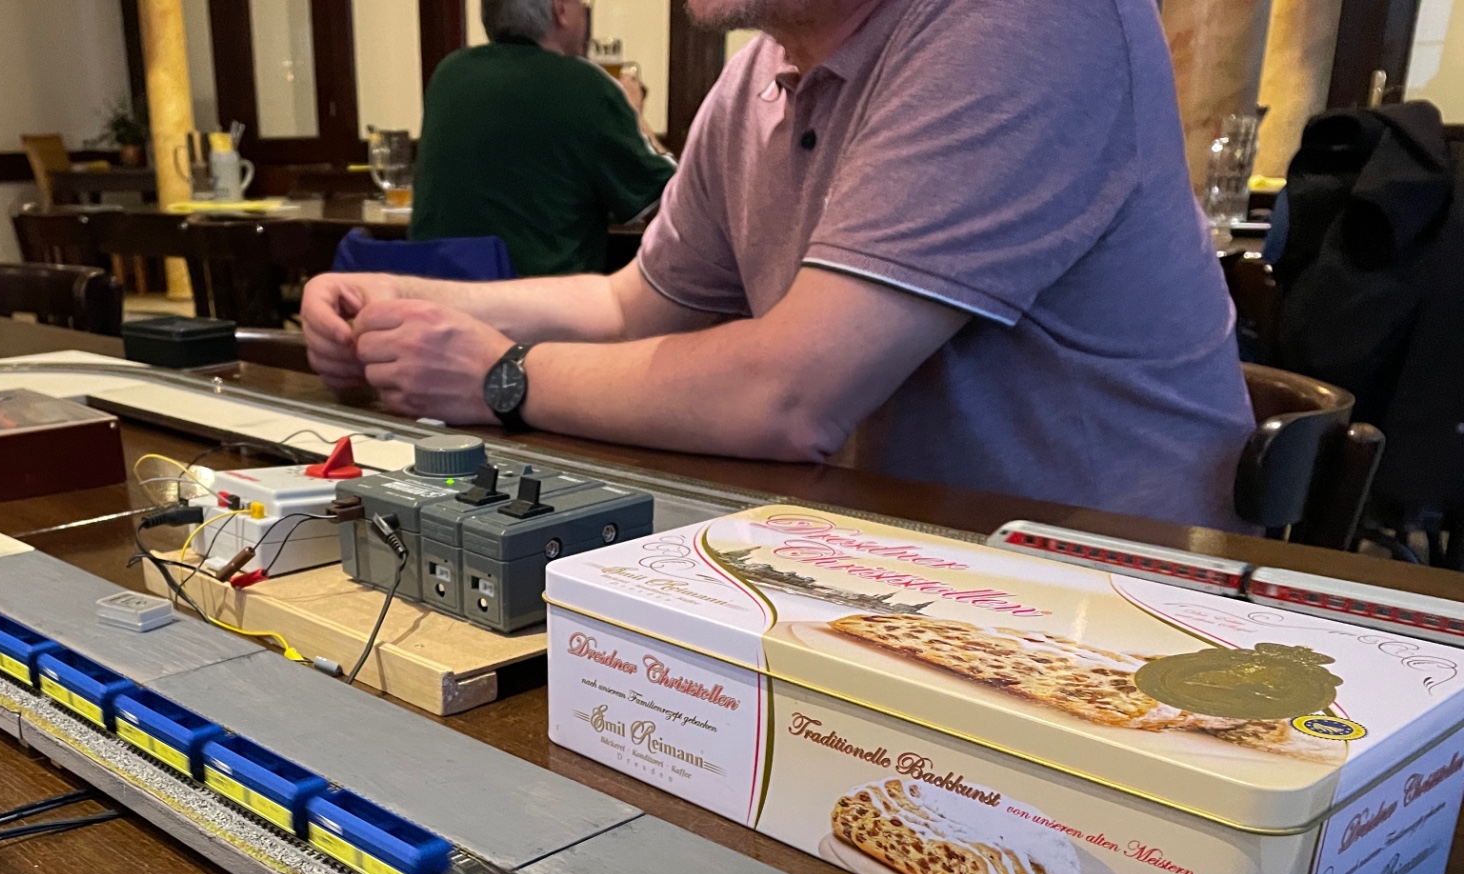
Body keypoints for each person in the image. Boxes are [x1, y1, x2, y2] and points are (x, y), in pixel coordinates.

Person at [306, 0, 1256, 530]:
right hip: (891, 563)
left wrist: (500, 376)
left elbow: (791, 396)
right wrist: (402, 295)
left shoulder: (1028, 18)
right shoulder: (757, 74)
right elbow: (634, 304)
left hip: (1116, 600)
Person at [409, 0, 677, 277]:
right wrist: (635, 117)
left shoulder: (449, 73)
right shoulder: (584, 84)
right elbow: (675, 200)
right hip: (536, 299)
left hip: (435, 294)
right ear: (561, 10)